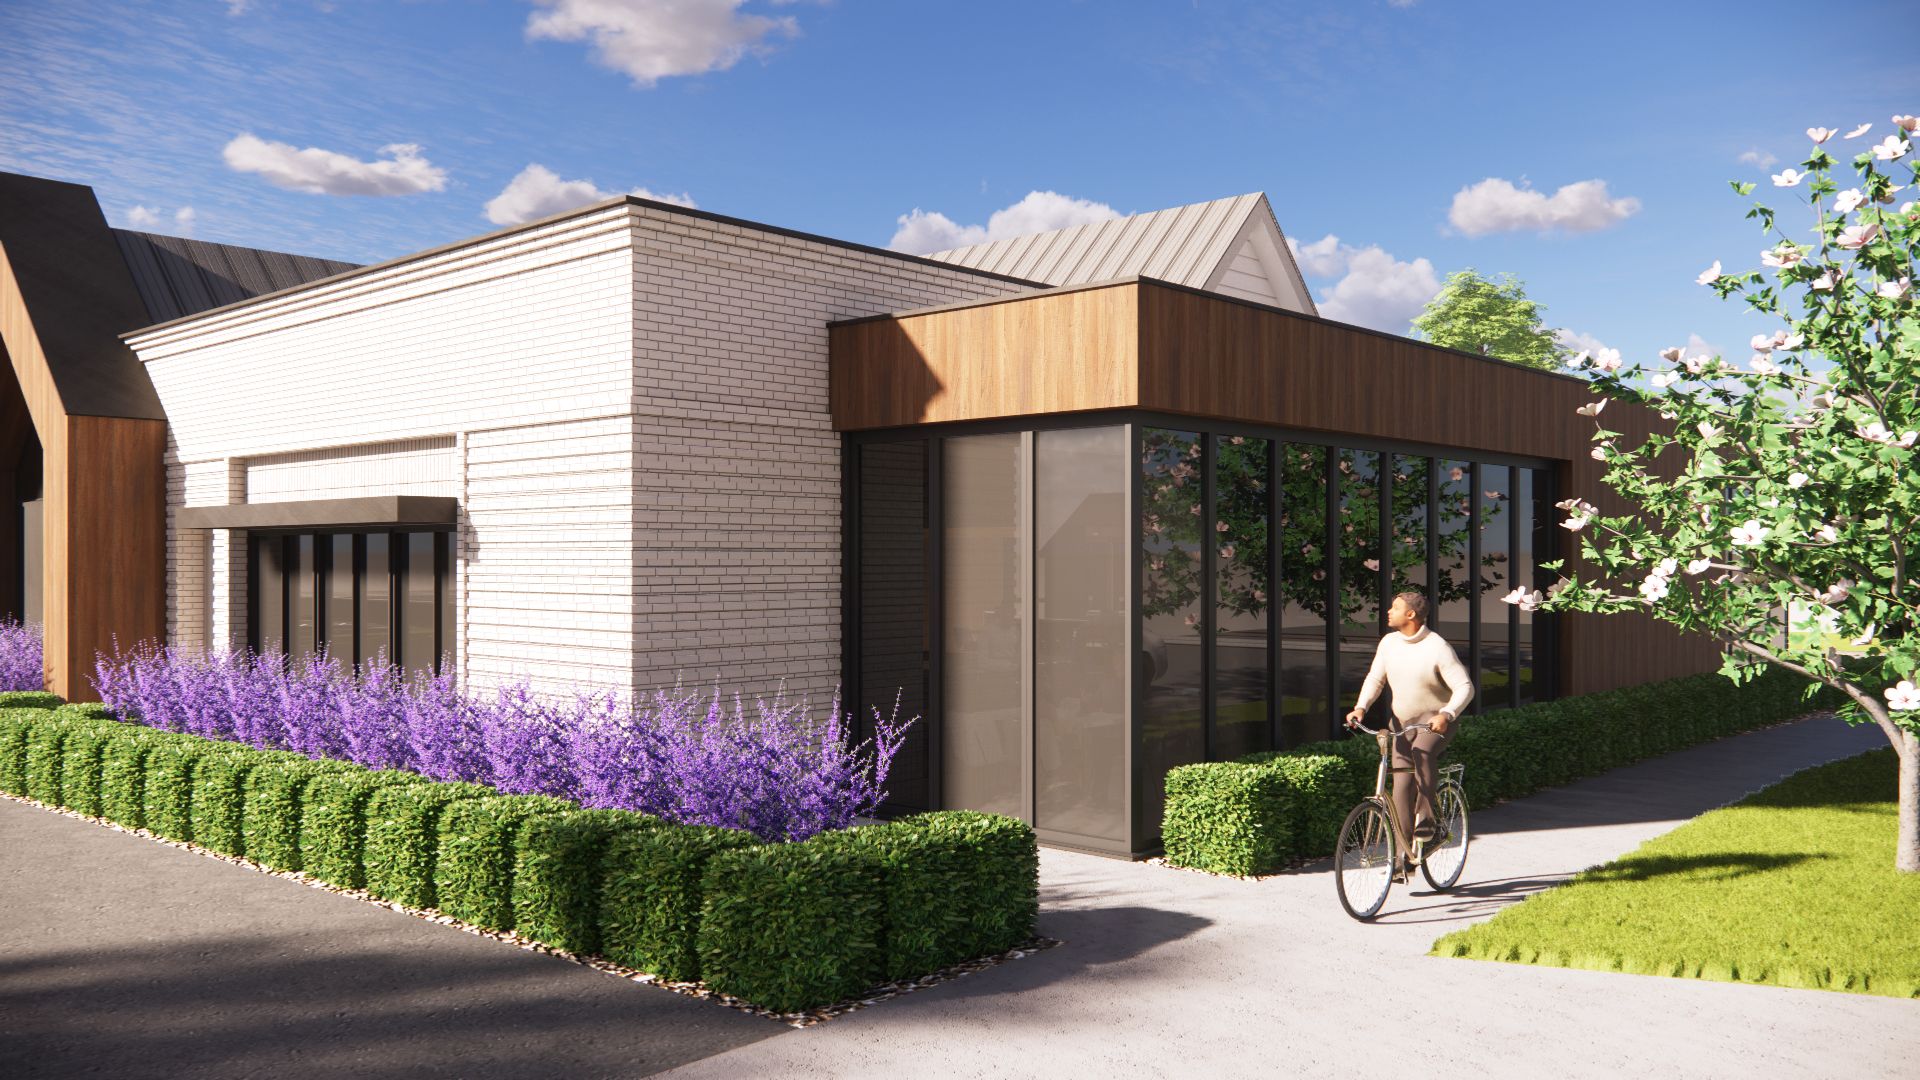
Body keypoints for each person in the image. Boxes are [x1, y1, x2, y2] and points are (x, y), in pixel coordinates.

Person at [1344, 591, 1473, 881]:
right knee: (1401, 786)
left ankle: (1428, 822)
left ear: (1411, 615)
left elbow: (1465, 687)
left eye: (1395, 607)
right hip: (1402, 723)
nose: (1388, 611)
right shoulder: (1389, 643)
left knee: (1422, 753)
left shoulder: (1437, 646)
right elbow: (1375, 679)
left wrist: (1447, 714)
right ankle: (1403, 858)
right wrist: (1361, 708)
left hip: (1436, 722)